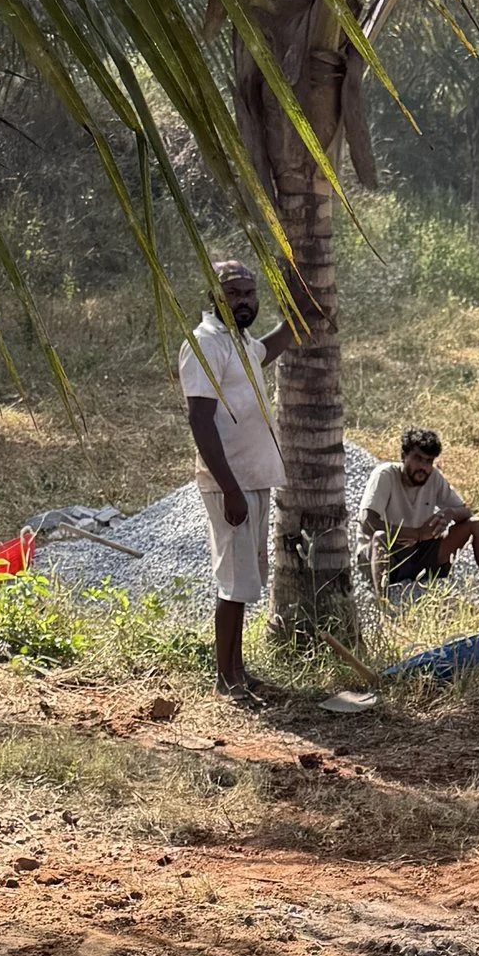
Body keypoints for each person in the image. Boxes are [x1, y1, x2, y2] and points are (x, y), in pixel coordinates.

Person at [181, 255, 298, 698]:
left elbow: (267, 349)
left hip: (253, 478)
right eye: (234, 294)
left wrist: (301, 313)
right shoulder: (205, 344)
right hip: (228, 483)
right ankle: (226, 679)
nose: (244, 301)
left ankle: (238, 672)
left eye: (249, 293)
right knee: (233, 584)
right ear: (214, 297)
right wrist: (229, 488)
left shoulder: (239, 341)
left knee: (245, 581)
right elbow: (200, 420)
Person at [358, 429, 479, 597]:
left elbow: (466, 511)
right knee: (380, 537)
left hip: (418, 553)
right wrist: (417, 533)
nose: (423, 467)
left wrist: (449, 514)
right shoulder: (385, 475)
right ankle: (382, 607)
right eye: (418, 459)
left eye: (429, 461)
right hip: (386, 555)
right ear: (404, 456)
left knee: (476, 525)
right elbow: (368, 522)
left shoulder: (433, 478)